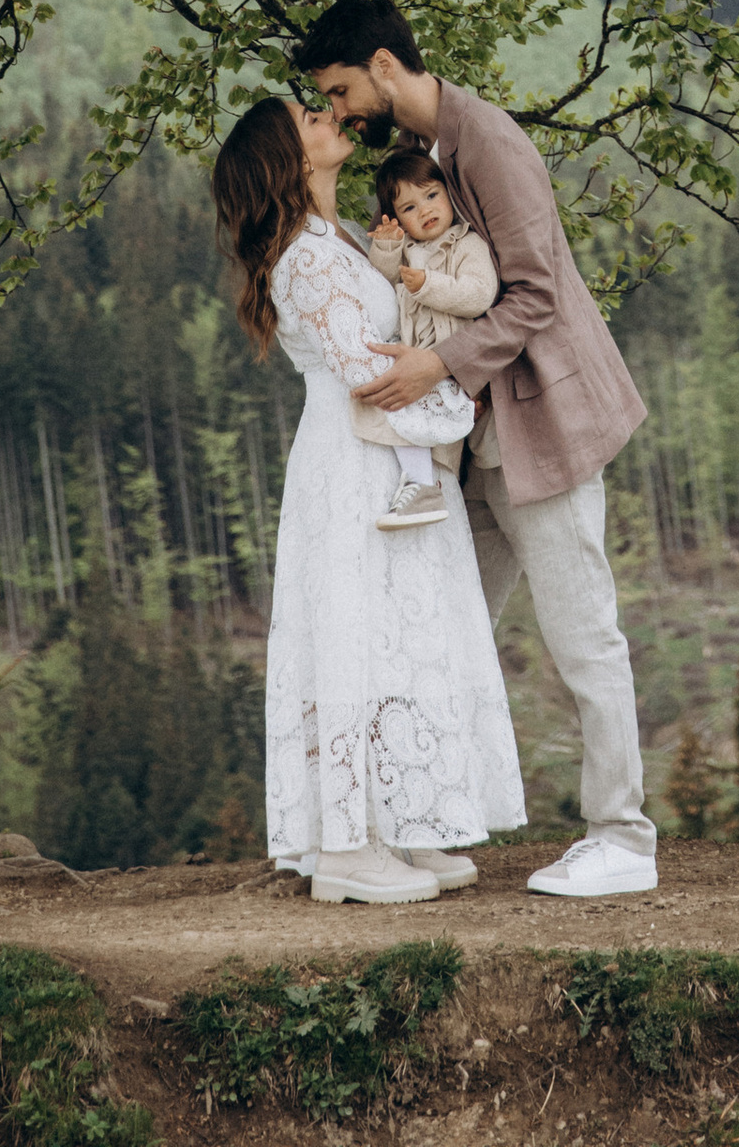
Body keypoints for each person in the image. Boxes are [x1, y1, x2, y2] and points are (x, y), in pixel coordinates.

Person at [293, 0, 658, 902]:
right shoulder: (439, 156)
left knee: (584, 637)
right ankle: (399, 828)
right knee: (445, 630)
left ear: (383, 66)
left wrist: (435, 365)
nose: (338, 113)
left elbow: (535, 295)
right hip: (483, 442)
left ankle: (623, 837)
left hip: (546, 429)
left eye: (339, 92)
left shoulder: (488, 143)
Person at [212, 95, 526, 905]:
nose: (330, 119)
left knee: (397, 631)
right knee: (360, 632)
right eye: (310, 119)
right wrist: (466, 404)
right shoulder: (308, 258)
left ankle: (397, 820)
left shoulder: (342, 237)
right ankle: (345, 847)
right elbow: (371, 374)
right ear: (291, 156)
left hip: (389, 453)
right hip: (356, 455)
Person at [359, 146, 501, 530]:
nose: (424, 210)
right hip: (421, 365)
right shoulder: (408, 250)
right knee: (410, 421)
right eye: (408, 208)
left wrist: (428, 285)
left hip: (453, 363)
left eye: (431, 195)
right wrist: (388, 248)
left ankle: (427, 487)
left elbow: (478, 296)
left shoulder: (466, 244)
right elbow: (381, 285)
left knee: (432, 429)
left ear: (448, 193)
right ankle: (424, 487)